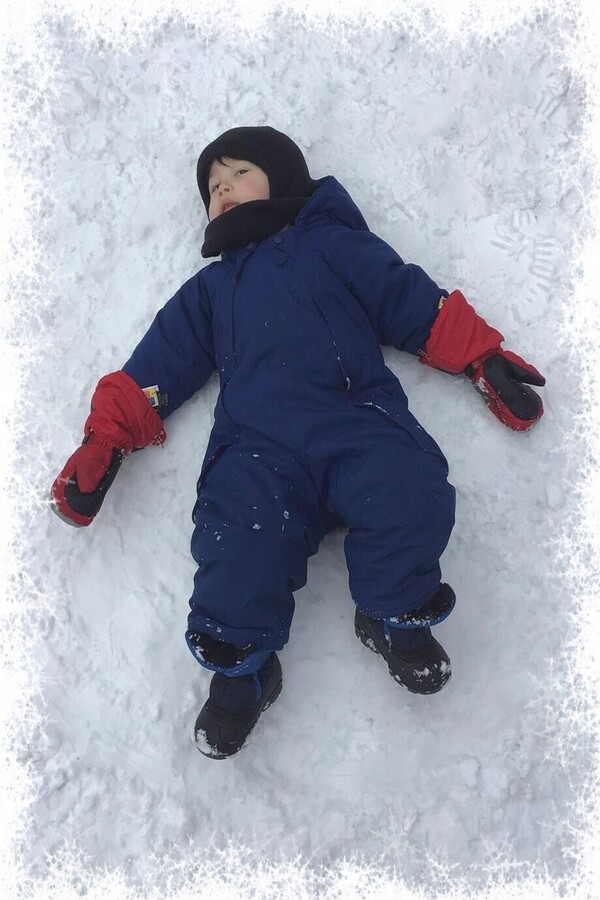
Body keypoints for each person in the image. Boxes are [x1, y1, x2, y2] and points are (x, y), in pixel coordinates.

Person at [51, 126, 546, 760]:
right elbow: (161, 360)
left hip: (357, 421)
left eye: (238, 174)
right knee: (235, 536)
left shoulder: (335, 247)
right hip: (260, 448)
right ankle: (245, 668)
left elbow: (406, 297)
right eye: (212, 187)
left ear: (283, 178)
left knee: (410, 492)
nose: (224, 189)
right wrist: (106, 440)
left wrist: (481, 355)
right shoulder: (212, 289)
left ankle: (392, 614)